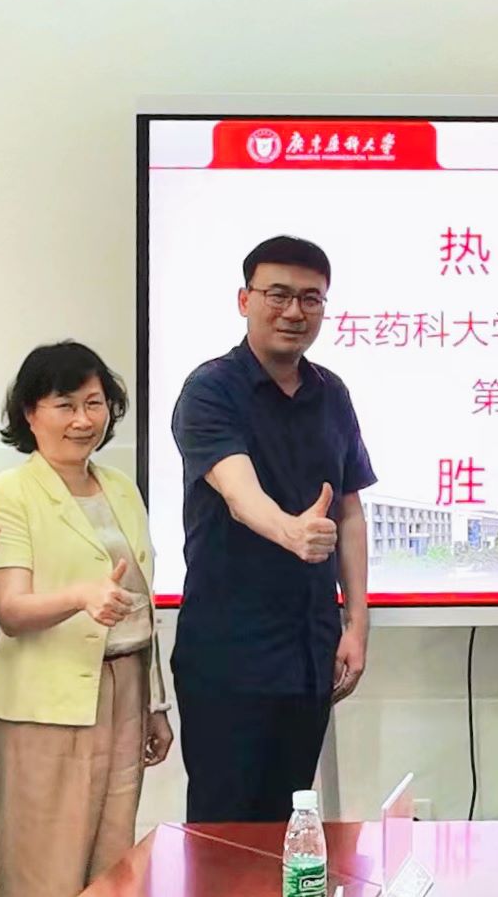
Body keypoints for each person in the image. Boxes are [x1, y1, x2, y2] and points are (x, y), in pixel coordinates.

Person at [171, 235, 377, 822]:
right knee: (224, 825)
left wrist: (357, 622)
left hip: (310, 647)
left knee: (292, 821)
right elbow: (240, 495)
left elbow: (349, 511)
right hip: (229, 649)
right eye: (278, 295)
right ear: (245, 300)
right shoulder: (211, 389)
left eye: (310, 299)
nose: (294, 312)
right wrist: (292, 533)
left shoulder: (332, 393)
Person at [0, 342, 173, 897]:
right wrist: (80, 596)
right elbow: (12, 610)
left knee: (112, 865)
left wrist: (156, 704)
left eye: (94, 403)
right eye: (65, 405)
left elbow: (142, 600)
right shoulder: (9, 493)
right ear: (30, 413)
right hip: (44, 706)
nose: (83, 420)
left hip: (125, 690)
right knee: (41, 868)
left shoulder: (120, 488)